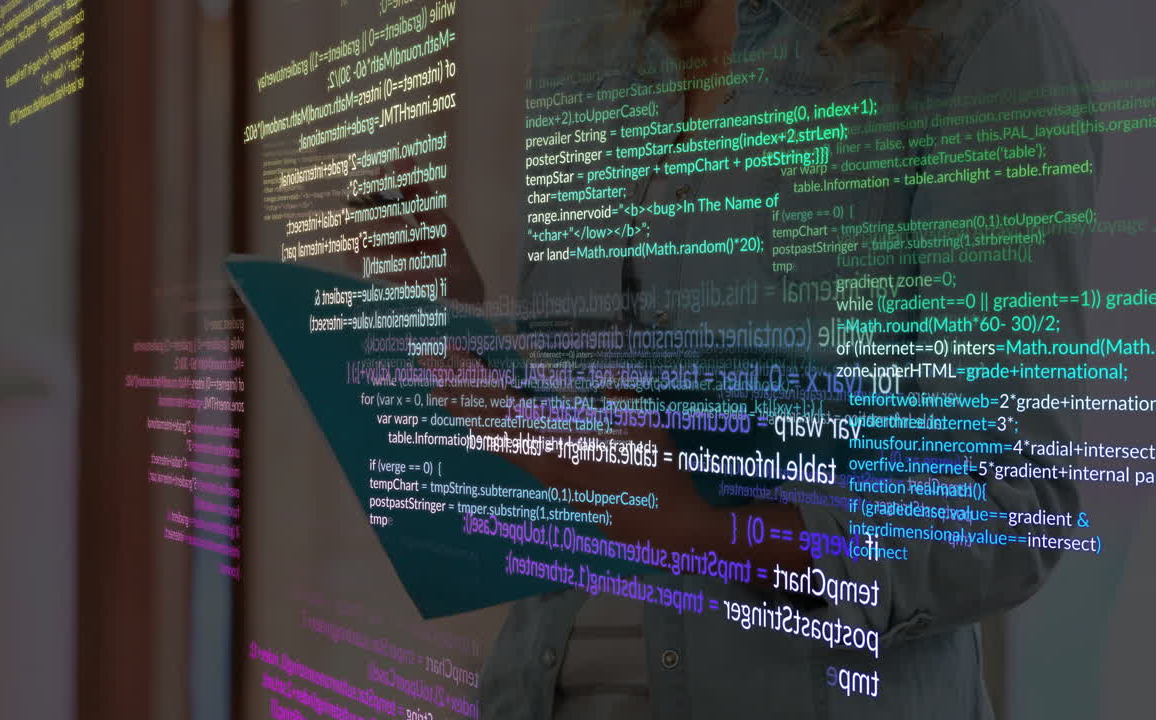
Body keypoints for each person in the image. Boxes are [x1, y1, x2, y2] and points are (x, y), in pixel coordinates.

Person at [360, 0, 1100, 716]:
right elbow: (576, 460)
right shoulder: (584, 32)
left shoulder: (979, 35)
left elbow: (1009, 506)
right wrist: (464, 346)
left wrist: (700, 526)